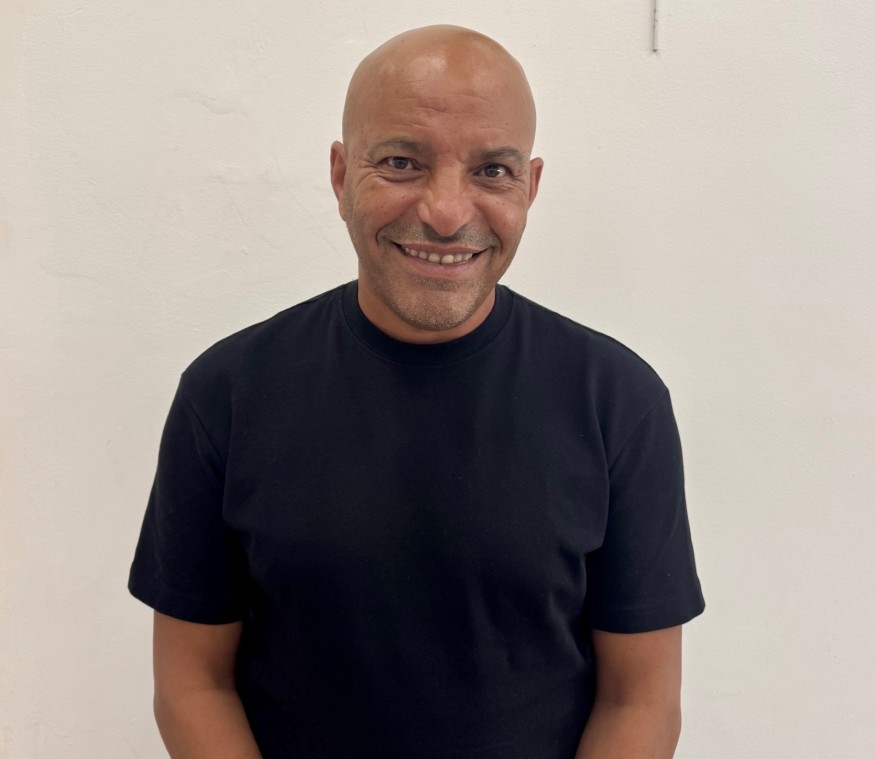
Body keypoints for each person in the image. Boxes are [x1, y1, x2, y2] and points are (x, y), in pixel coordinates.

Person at [129, 25, 704, 759]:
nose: (446, 211)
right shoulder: (227, 393)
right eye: (402, 162)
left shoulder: (616, 401)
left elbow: (640, 699)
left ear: (529, 187)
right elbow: (193, 683)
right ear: (341, 176)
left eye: (491, 171)